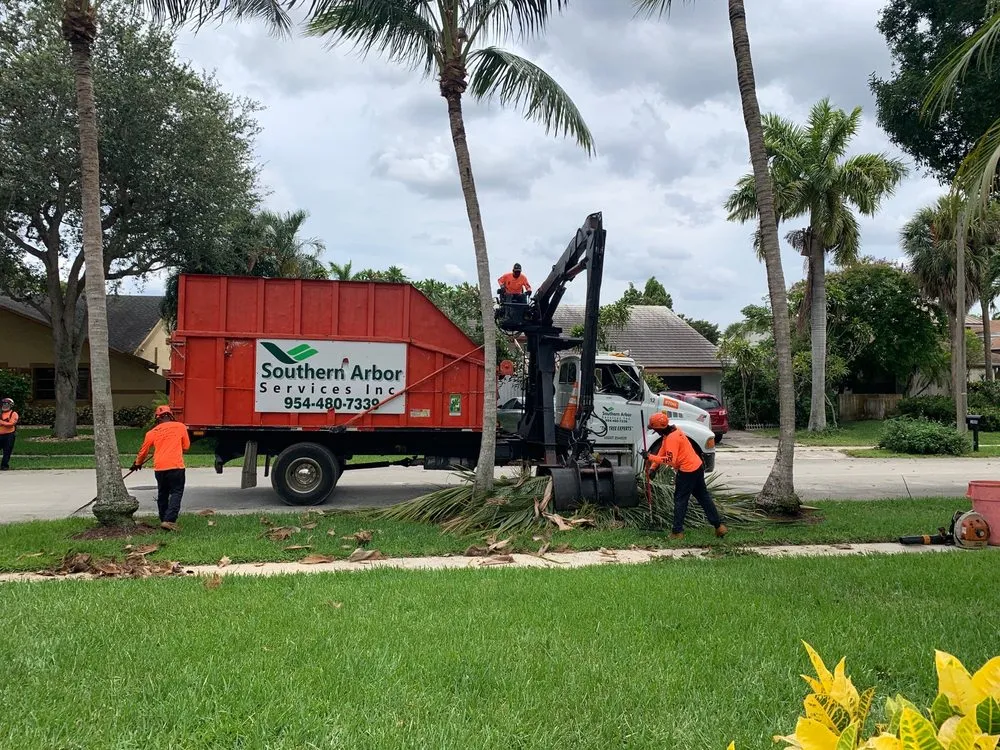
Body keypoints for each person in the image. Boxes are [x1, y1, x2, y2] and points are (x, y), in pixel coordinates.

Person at [644, 411, 727, 540]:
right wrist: (654, 467)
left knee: (680, 500)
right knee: (703, 497)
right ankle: (719, 526)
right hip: (697, 466)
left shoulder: (672, 437)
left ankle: (677, 532)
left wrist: (650, 456)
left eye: (654, 428)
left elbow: (670, 460)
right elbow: (663, 450)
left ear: (659, 429)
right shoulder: (673, 431)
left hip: (687, 471)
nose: (654, 431)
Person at [133, 405, 190, 531]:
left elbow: (143, 452)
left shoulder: (152, 433)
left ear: (157, 418)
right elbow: (186, 446)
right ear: (170, 415)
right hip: (176, 467)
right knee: (176, 492)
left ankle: (163, 518)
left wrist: (137, 463)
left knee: (162, 493)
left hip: (160, 468)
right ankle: (169, 520)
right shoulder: (180, 427)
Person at [0, 398, 18, 471]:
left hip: (9, 435)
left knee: (7, 451)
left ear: (11, 405)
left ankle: (4, 466)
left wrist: (1, 422)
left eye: (7, 404)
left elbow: (11, 424)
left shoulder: (13, 414)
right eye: (3, 404)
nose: (5, 406)